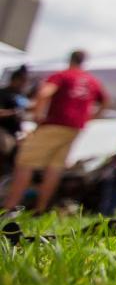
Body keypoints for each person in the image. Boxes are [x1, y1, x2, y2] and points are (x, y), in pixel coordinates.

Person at [4, 49, 109, 213]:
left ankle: (9, 207)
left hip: (54, 123)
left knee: (25, 162)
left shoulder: (63, 75)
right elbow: (105, 102)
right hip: (74, 128)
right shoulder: (92, 81)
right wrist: (90, 117)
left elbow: (45, 92)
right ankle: (41, 208)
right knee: (55, 166)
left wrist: (38, 114)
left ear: (70, 60)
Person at [0, 65, 30, 175]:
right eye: (22, 81)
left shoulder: (21, 96)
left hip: (16, 133)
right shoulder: (3, 93)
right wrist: (13, 113)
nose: (24, 84)